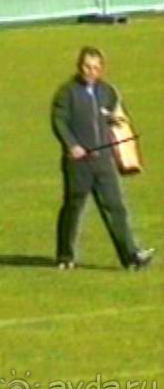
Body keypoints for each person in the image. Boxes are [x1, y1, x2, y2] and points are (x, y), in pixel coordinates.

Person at [51, 46, 155, 270]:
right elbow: (59, 121)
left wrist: (118, 123)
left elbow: (115, 116)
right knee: (73, 208)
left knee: (116, 207)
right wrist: (72, 145)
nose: (91, 71)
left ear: (102, 69)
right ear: (79, 66)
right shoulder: (66, 93)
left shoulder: (107, 92)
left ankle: (131, 257)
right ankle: (65, 255)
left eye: (95, 68)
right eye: (87, 67)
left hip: (103, 162)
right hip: (78, 164)